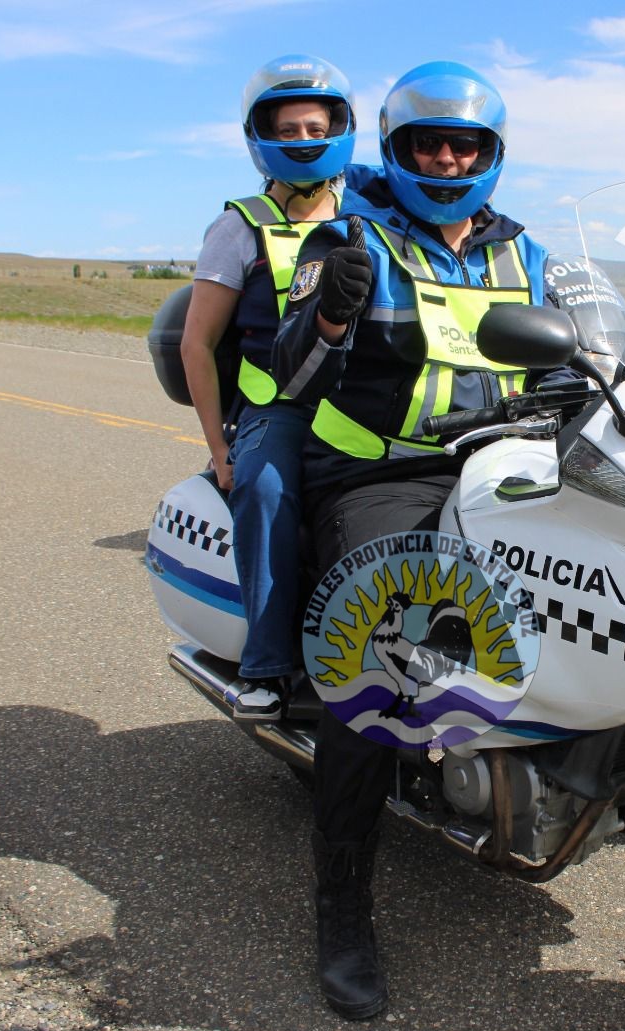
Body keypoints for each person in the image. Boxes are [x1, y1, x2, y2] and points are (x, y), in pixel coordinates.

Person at [270, 61, 554, 1020]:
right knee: (375, 653)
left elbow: (588, 353)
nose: (447, 159)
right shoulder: (349, 236)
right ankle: (342, 904)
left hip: (506, 468)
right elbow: (288, 372)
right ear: (395, 151)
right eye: (428, 145)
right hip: (377, 473)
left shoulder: (530, 253)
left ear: (491, 155)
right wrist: (336, 307)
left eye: (464, 145)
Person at [178, 54, 356, 720]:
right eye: (289, 128)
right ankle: (266, 667)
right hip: (277, 408)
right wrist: (221, 450)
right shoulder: (239, 226)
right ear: (263, 138)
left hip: (363, 405)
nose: (304, 138)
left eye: (316, 124)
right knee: (269, 489)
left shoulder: (369, 214)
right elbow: (196, 344)